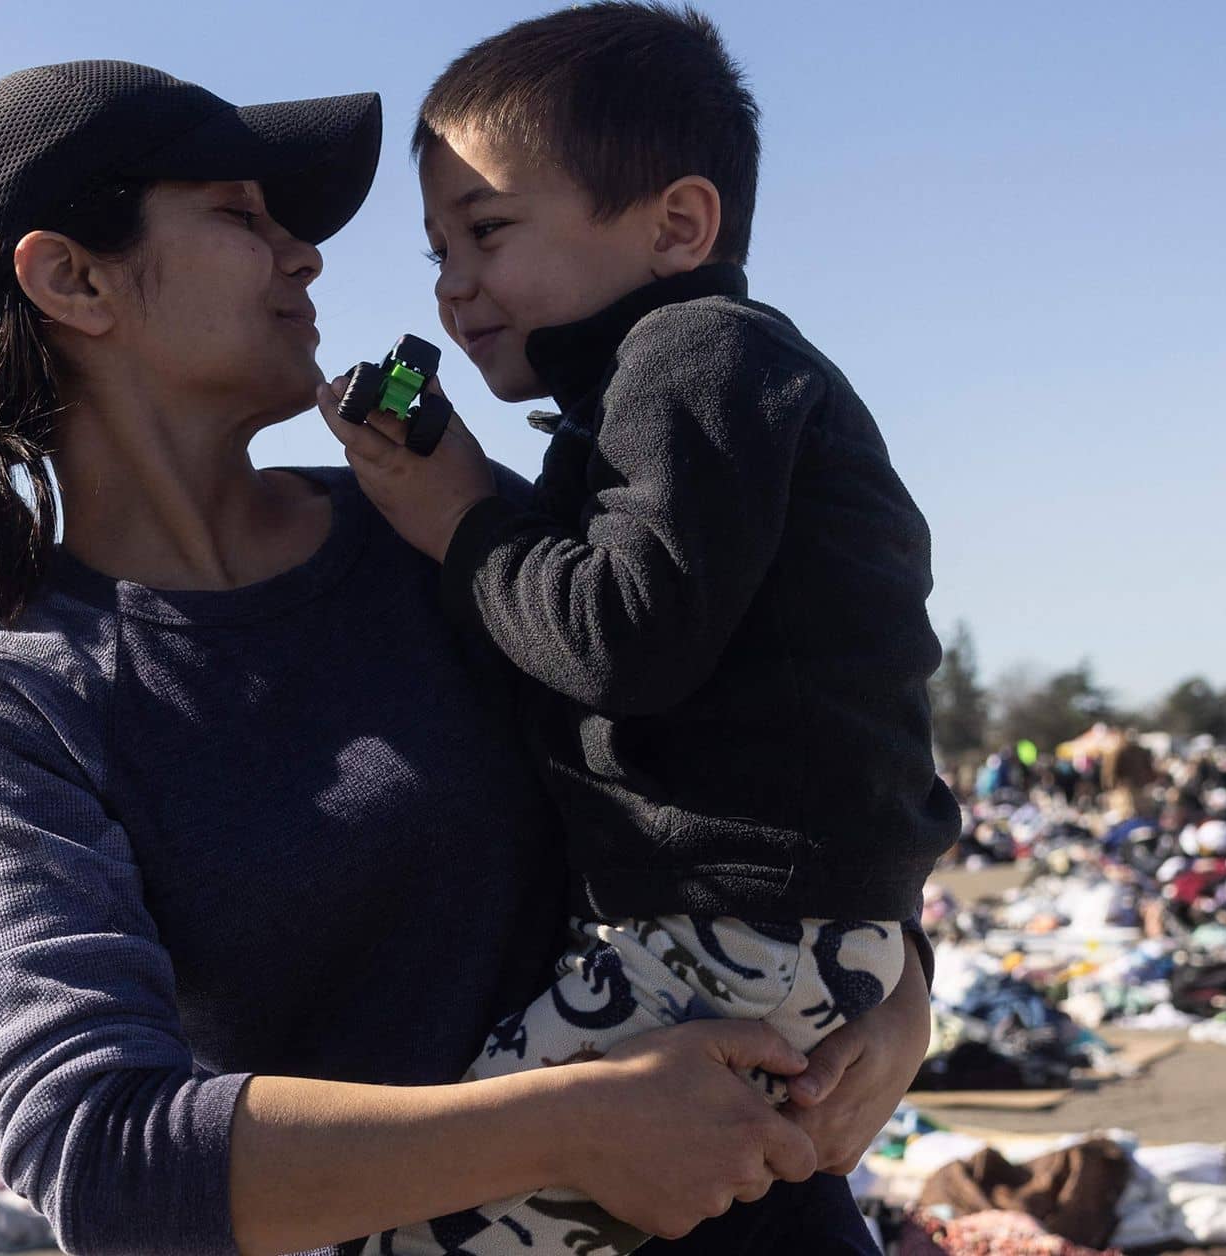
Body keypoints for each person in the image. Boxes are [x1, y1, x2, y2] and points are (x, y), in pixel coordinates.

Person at [0, 59, 927, 1256]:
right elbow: (101, 1157)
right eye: (241, 216)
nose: (307, 253)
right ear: (73, 278)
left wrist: (901, 989)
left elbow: (759, 737)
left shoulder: (432, 523)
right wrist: (566, 1126)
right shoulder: (26, 710)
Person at [319, 9, 955, 1251]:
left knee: (405, 1223)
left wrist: (461, 522)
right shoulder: (664, 395)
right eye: (439, 249)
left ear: (677, 226)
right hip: (778, 936)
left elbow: (624, 639)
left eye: (489, 231)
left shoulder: (695, 358)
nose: (453, 286)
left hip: (733, 932)